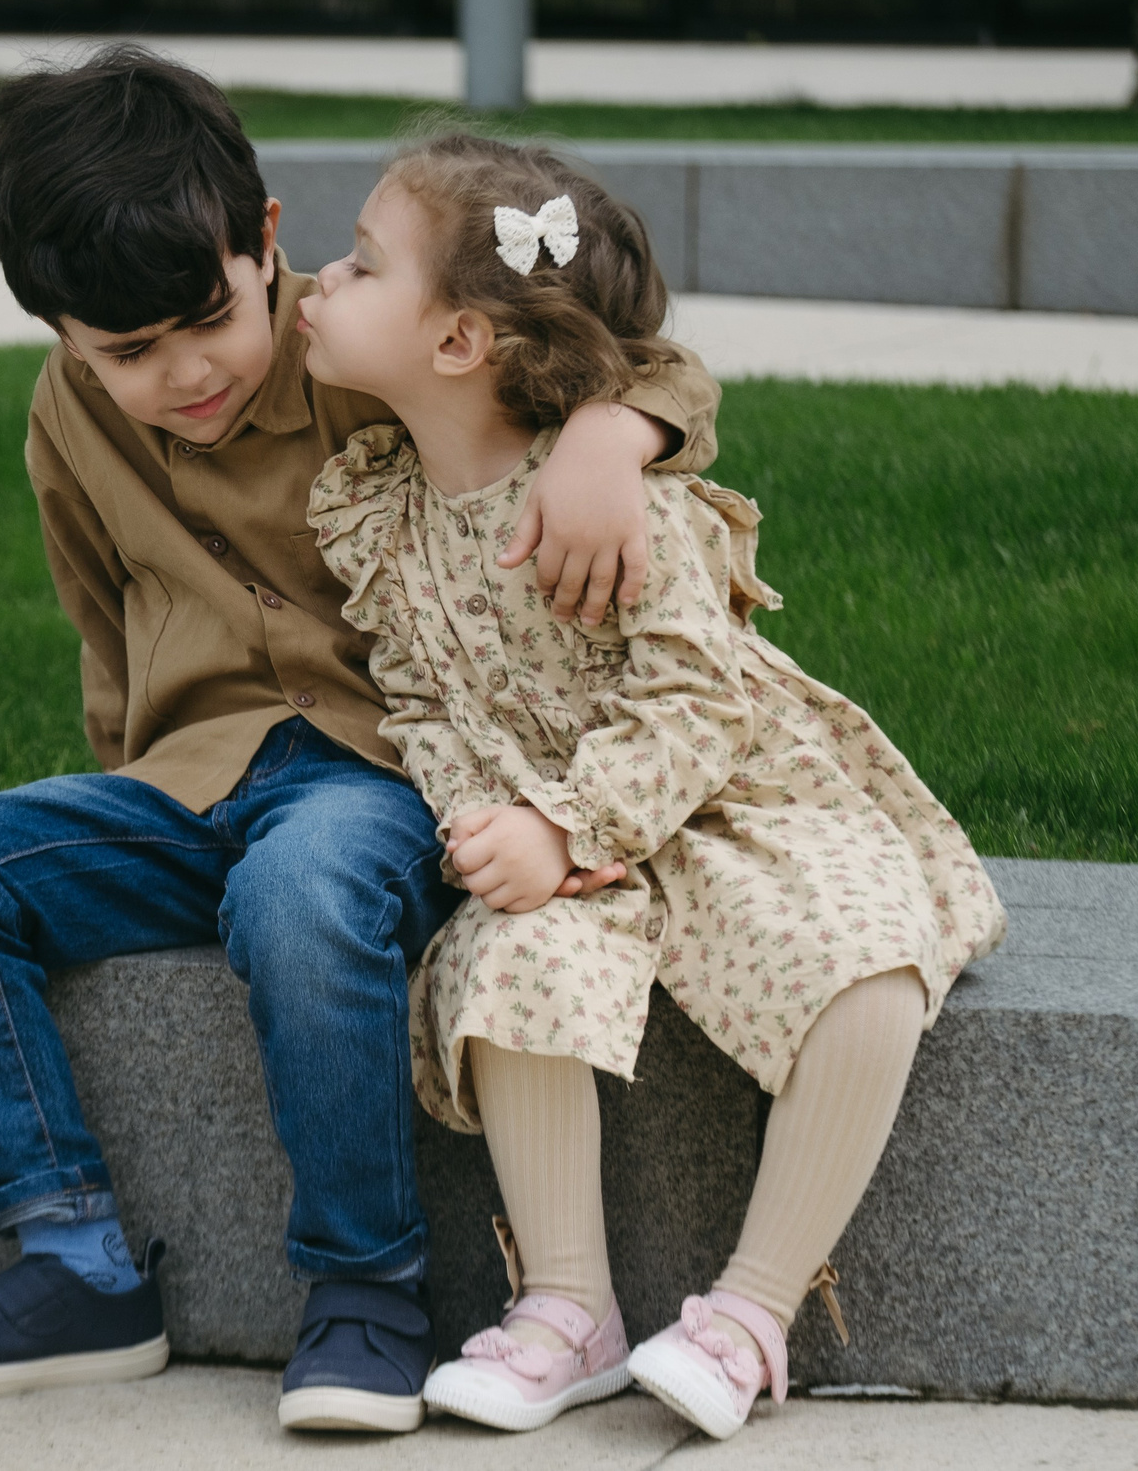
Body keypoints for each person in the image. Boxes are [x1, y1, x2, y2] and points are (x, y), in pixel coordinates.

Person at [0, 49, 725, 1432]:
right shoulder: (68, 416)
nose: (182, 372)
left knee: (300, 888)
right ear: (59, 330)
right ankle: (74, 1263)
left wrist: (612, 436)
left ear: (264, 243)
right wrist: (110, 802)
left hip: (382, 780)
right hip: (187, 784)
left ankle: (366, 1294)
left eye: (206, 319)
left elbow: (644, 354)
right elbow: (104, 617)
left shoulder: (366, 338)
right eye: (123, 352)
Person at [299, 131, 1006, 1441]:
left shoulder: (617, 502)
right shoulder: (378, 512)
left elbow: (698, 697)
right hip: (544, 816)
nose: (315, 287)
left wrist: (576, 822)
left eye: (355, 265)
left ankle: (749, 1314)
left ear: (458, 342)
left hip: (732, 794)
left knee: (867, 959)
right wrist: (490, 826)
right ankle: (568, 1311)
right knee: (510, 962)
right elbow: (421, 697)